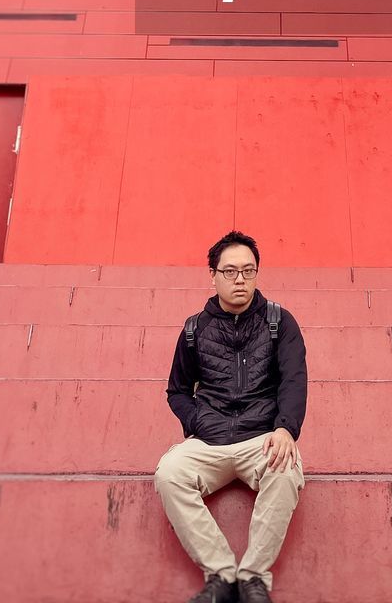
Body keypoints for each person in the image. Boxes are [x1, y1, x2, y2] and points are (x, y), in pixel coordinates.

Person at [155, 231, 308, 603]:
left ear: (257, 273)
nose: (239, 280)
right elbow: (177, 390)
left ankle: (253, 577)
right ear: (213, 275)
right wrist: (197, 423)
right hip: (209, 440)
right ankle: (221, 575)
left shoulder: (279, 322)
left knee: (286, 470)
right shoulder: (195, 329)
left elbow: (294, 379)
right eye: (229, 272)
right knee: (169, 473)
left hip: (262, 437)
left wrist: (286, 429)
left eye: (248, 271)